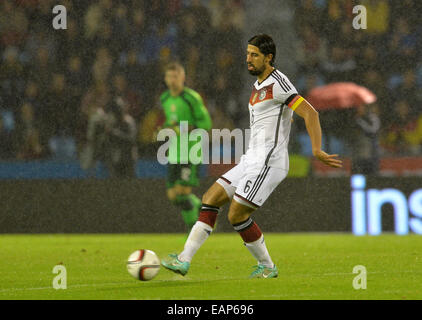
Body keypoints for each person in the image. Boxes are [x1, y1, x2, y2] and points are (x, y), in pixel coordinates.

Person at [161, 34, 342, 278]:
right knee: (210, 197)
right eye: (247, 54)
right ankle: (183, 260)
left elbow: (311, 114)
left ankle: (267, 266)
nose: (248, 59)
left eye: (254, 55)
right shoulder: (257, 85)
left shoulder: (279, 83)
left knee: (237, 214)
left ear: (269, 58)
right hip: (251, 158)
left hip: (270, 161)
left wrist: (317, 149)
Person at [159, 62, 212, 233]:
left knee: (182, 192)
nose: (173, 80)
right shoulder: (165, 99)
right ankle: (202, 208)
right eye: (169, 76)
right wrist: (165, 128)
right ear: (165, 79)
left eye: (176, 76)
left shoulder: (191, 98)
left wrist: (188, 127)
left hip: (190, 151)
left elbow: (206, 123)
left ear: (183, 78)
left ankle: (194, 231)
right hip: (174, 152)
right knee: (173, 196)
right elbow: (170, 122)